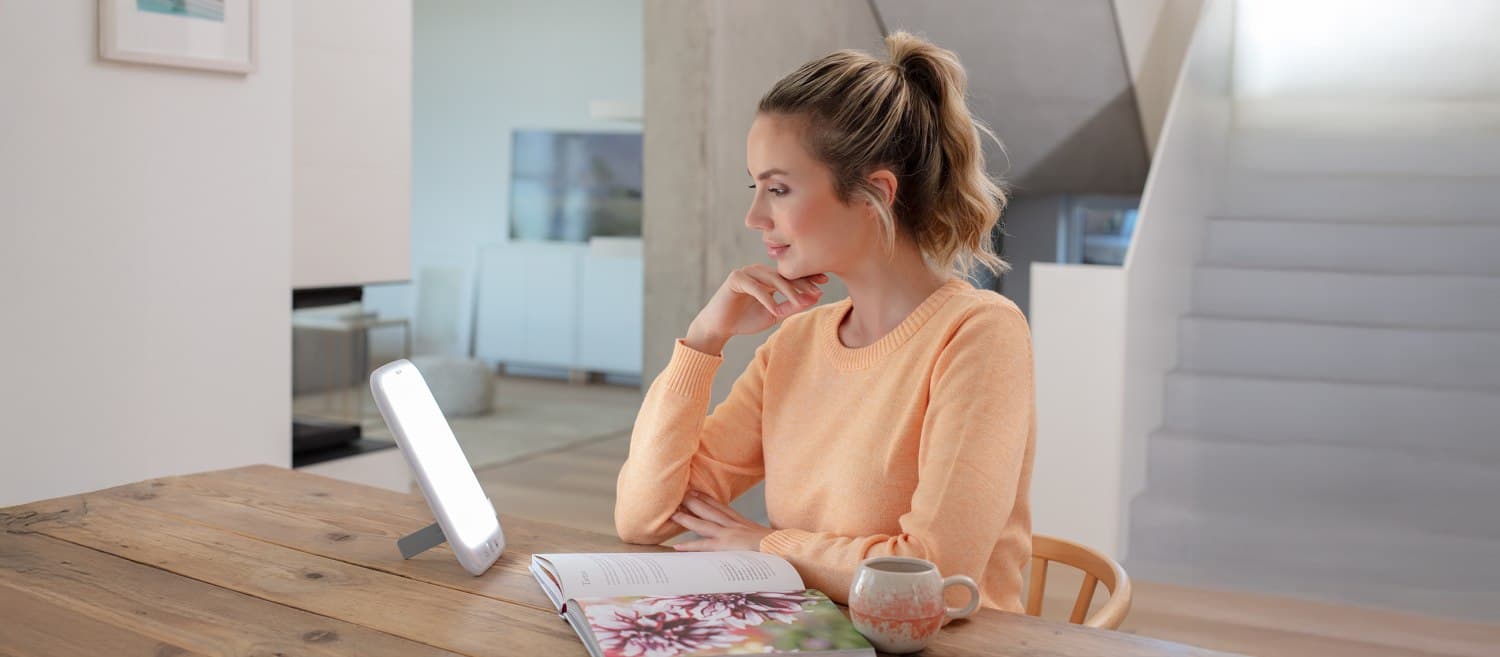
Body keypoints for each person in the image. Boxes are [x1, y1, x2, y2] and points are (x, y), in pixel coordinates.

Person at [614, 30, 1036, 613]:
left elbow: (933, 572)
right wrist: (703, 341)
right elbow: (645, 518)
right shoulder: (796, 343)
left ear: (875, 194)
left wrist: (766, 547)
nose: (754, 216)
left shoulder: (980, 334)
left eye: (779, 189)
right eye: (756, 188)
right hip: (808, 632)